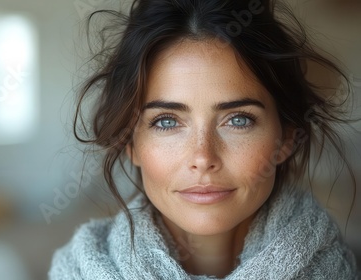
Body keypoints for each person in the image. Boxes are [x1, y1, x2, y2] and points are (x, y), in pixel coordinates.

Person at [50, 0, 358, 279]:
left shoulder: (339, 271)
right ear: (130, 144)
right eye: (167, 122)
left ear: (286, 138)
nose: (202, 157)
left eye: (238, 120)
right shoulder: (78, 271)